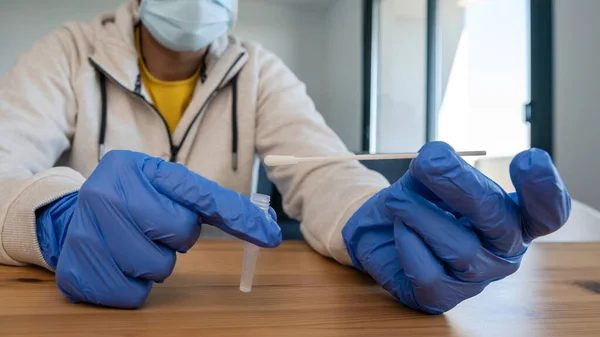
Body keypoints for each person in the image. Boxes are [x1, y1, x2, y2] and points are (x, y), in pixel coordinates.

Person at [0, 0, 571, 314]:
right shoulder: (69, 53)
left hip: (217, 311)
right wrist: (52, 216)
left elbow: (321, 168)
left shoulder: (257, 69)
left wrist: (367, 213)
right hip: (84, 306)